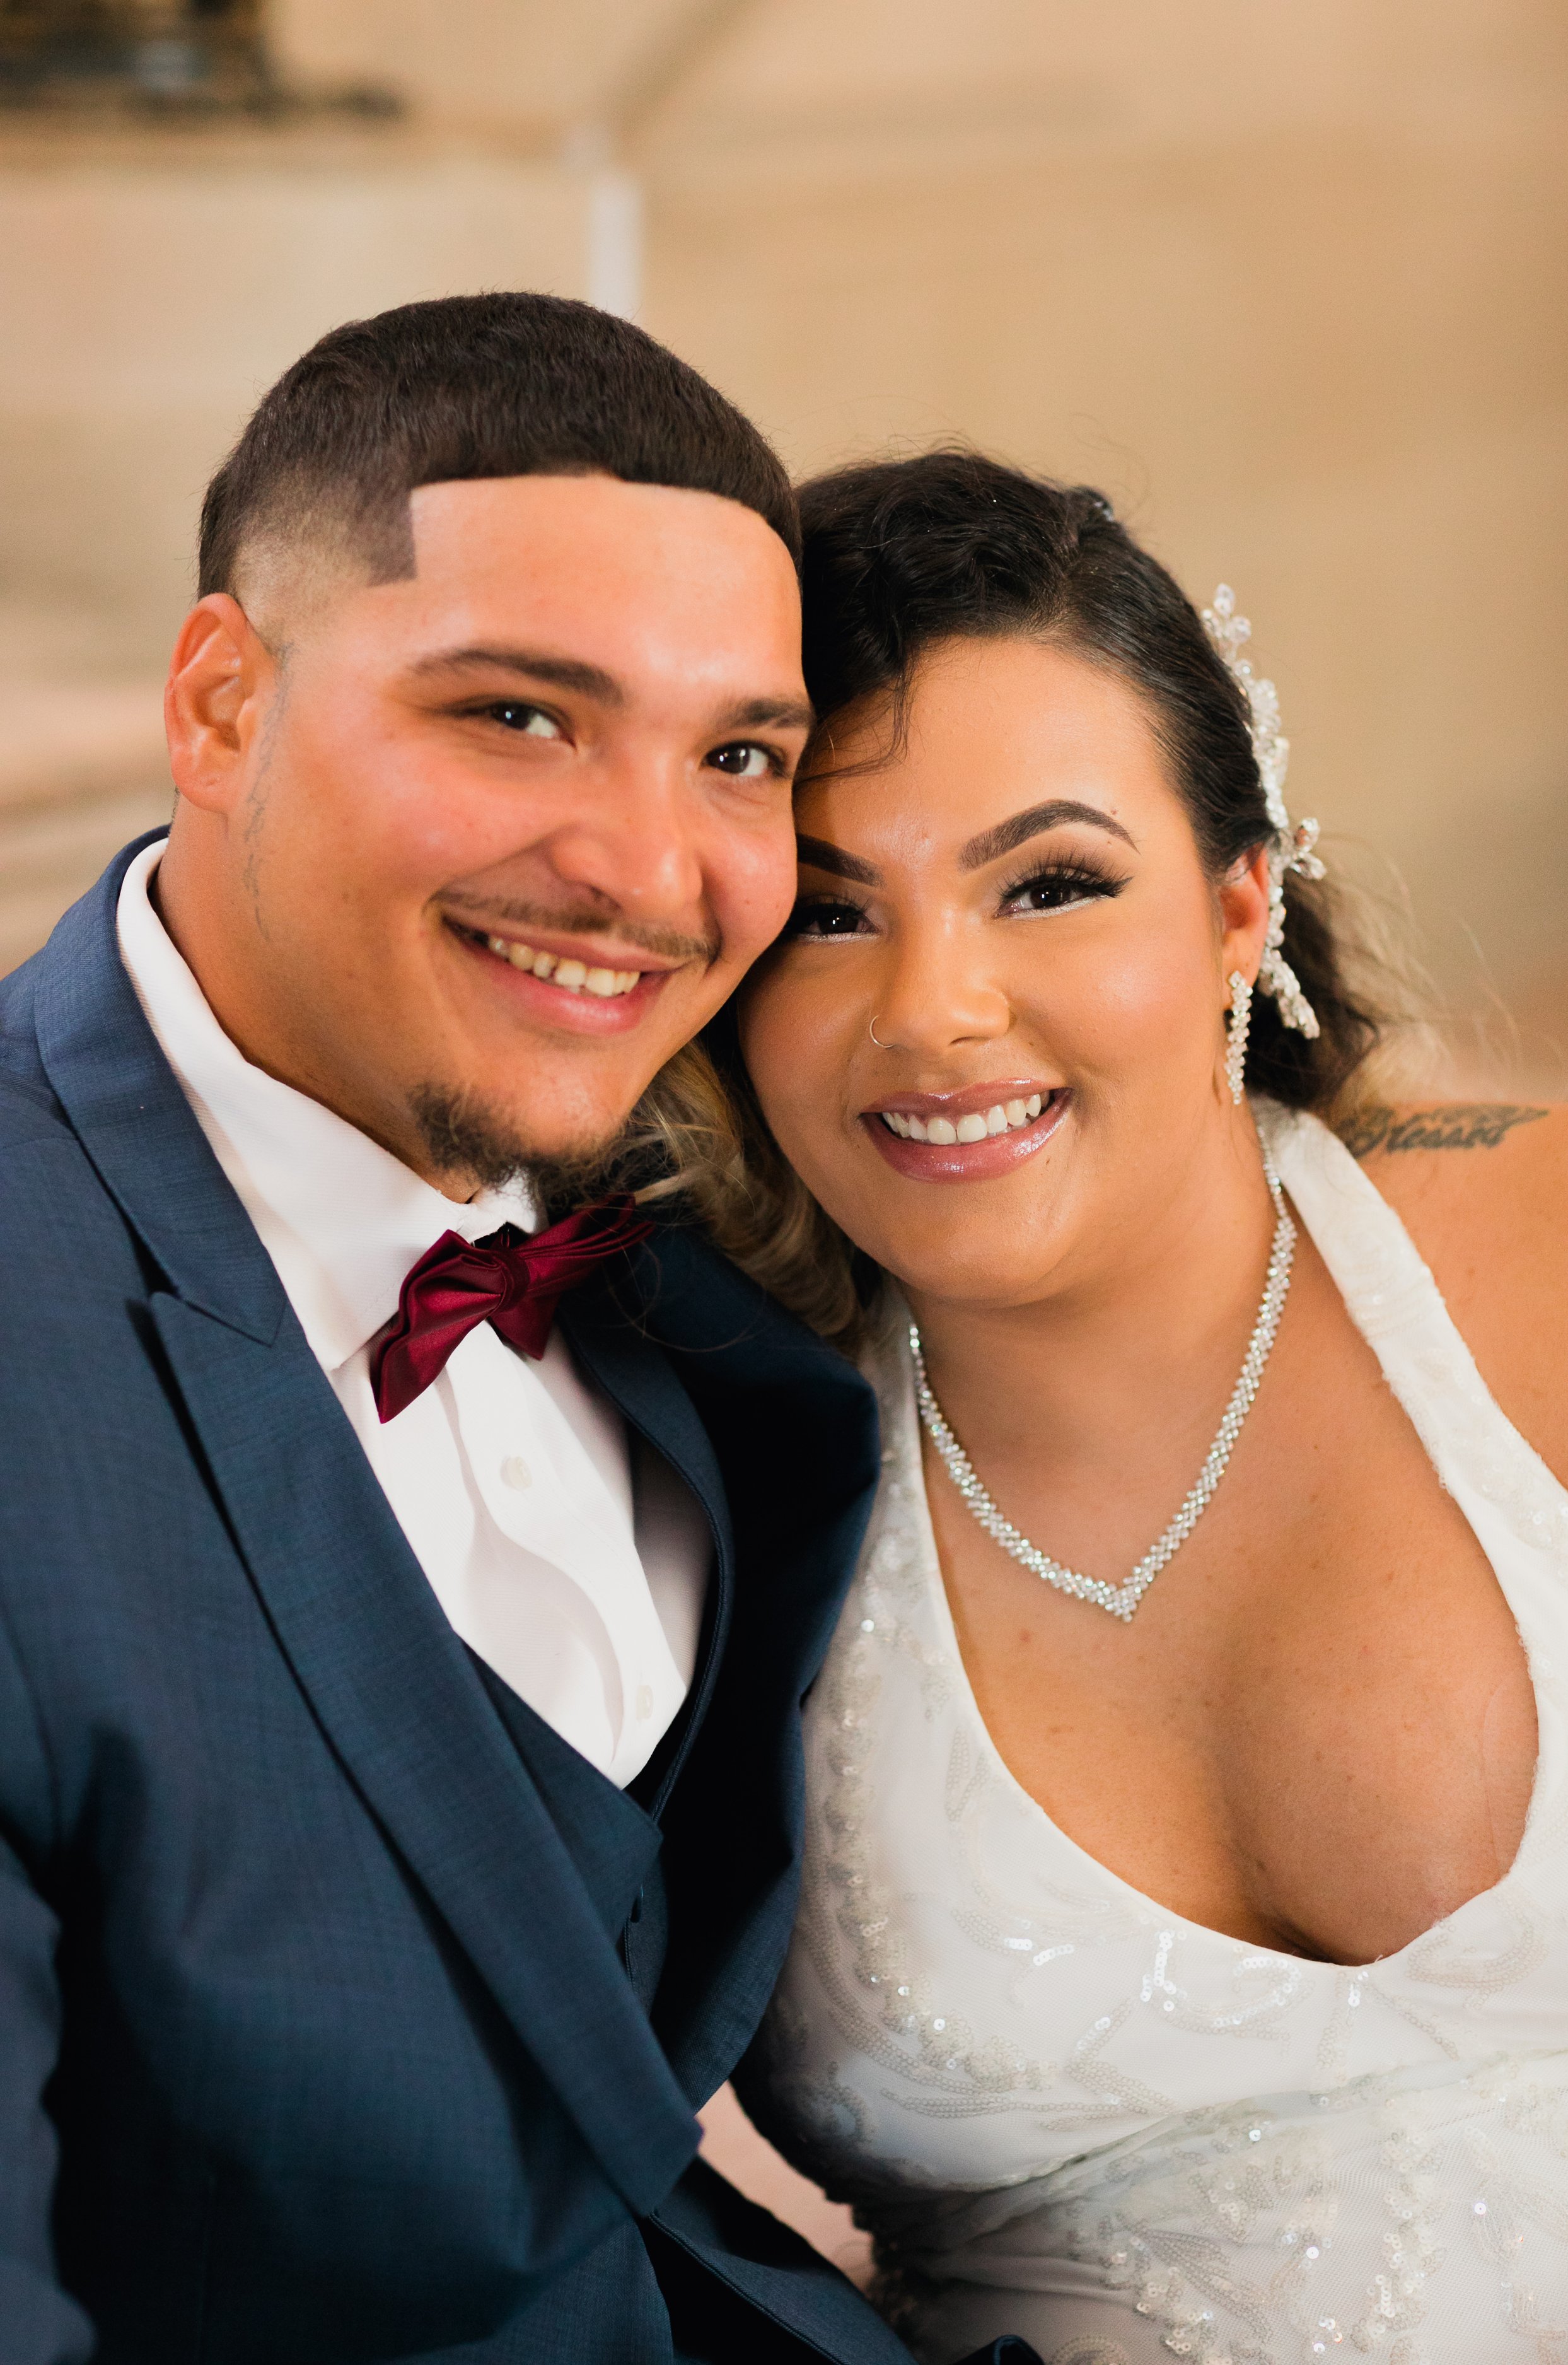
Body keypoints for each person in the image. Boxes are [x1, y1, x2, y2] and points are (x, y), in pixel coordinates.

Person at [0, 300, 1034, 2365]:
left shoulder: (708, 1226)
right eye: (516, 717)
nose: (649, 873)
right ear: (220, 705)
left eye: (736, 757)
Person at [685, 452, 1568, 2361]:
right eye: (828, 918)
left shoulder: (1543, 1249)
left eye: (1051, 884)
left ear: (1238, 904)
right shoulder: (687, 1478)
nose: (936, 1012)